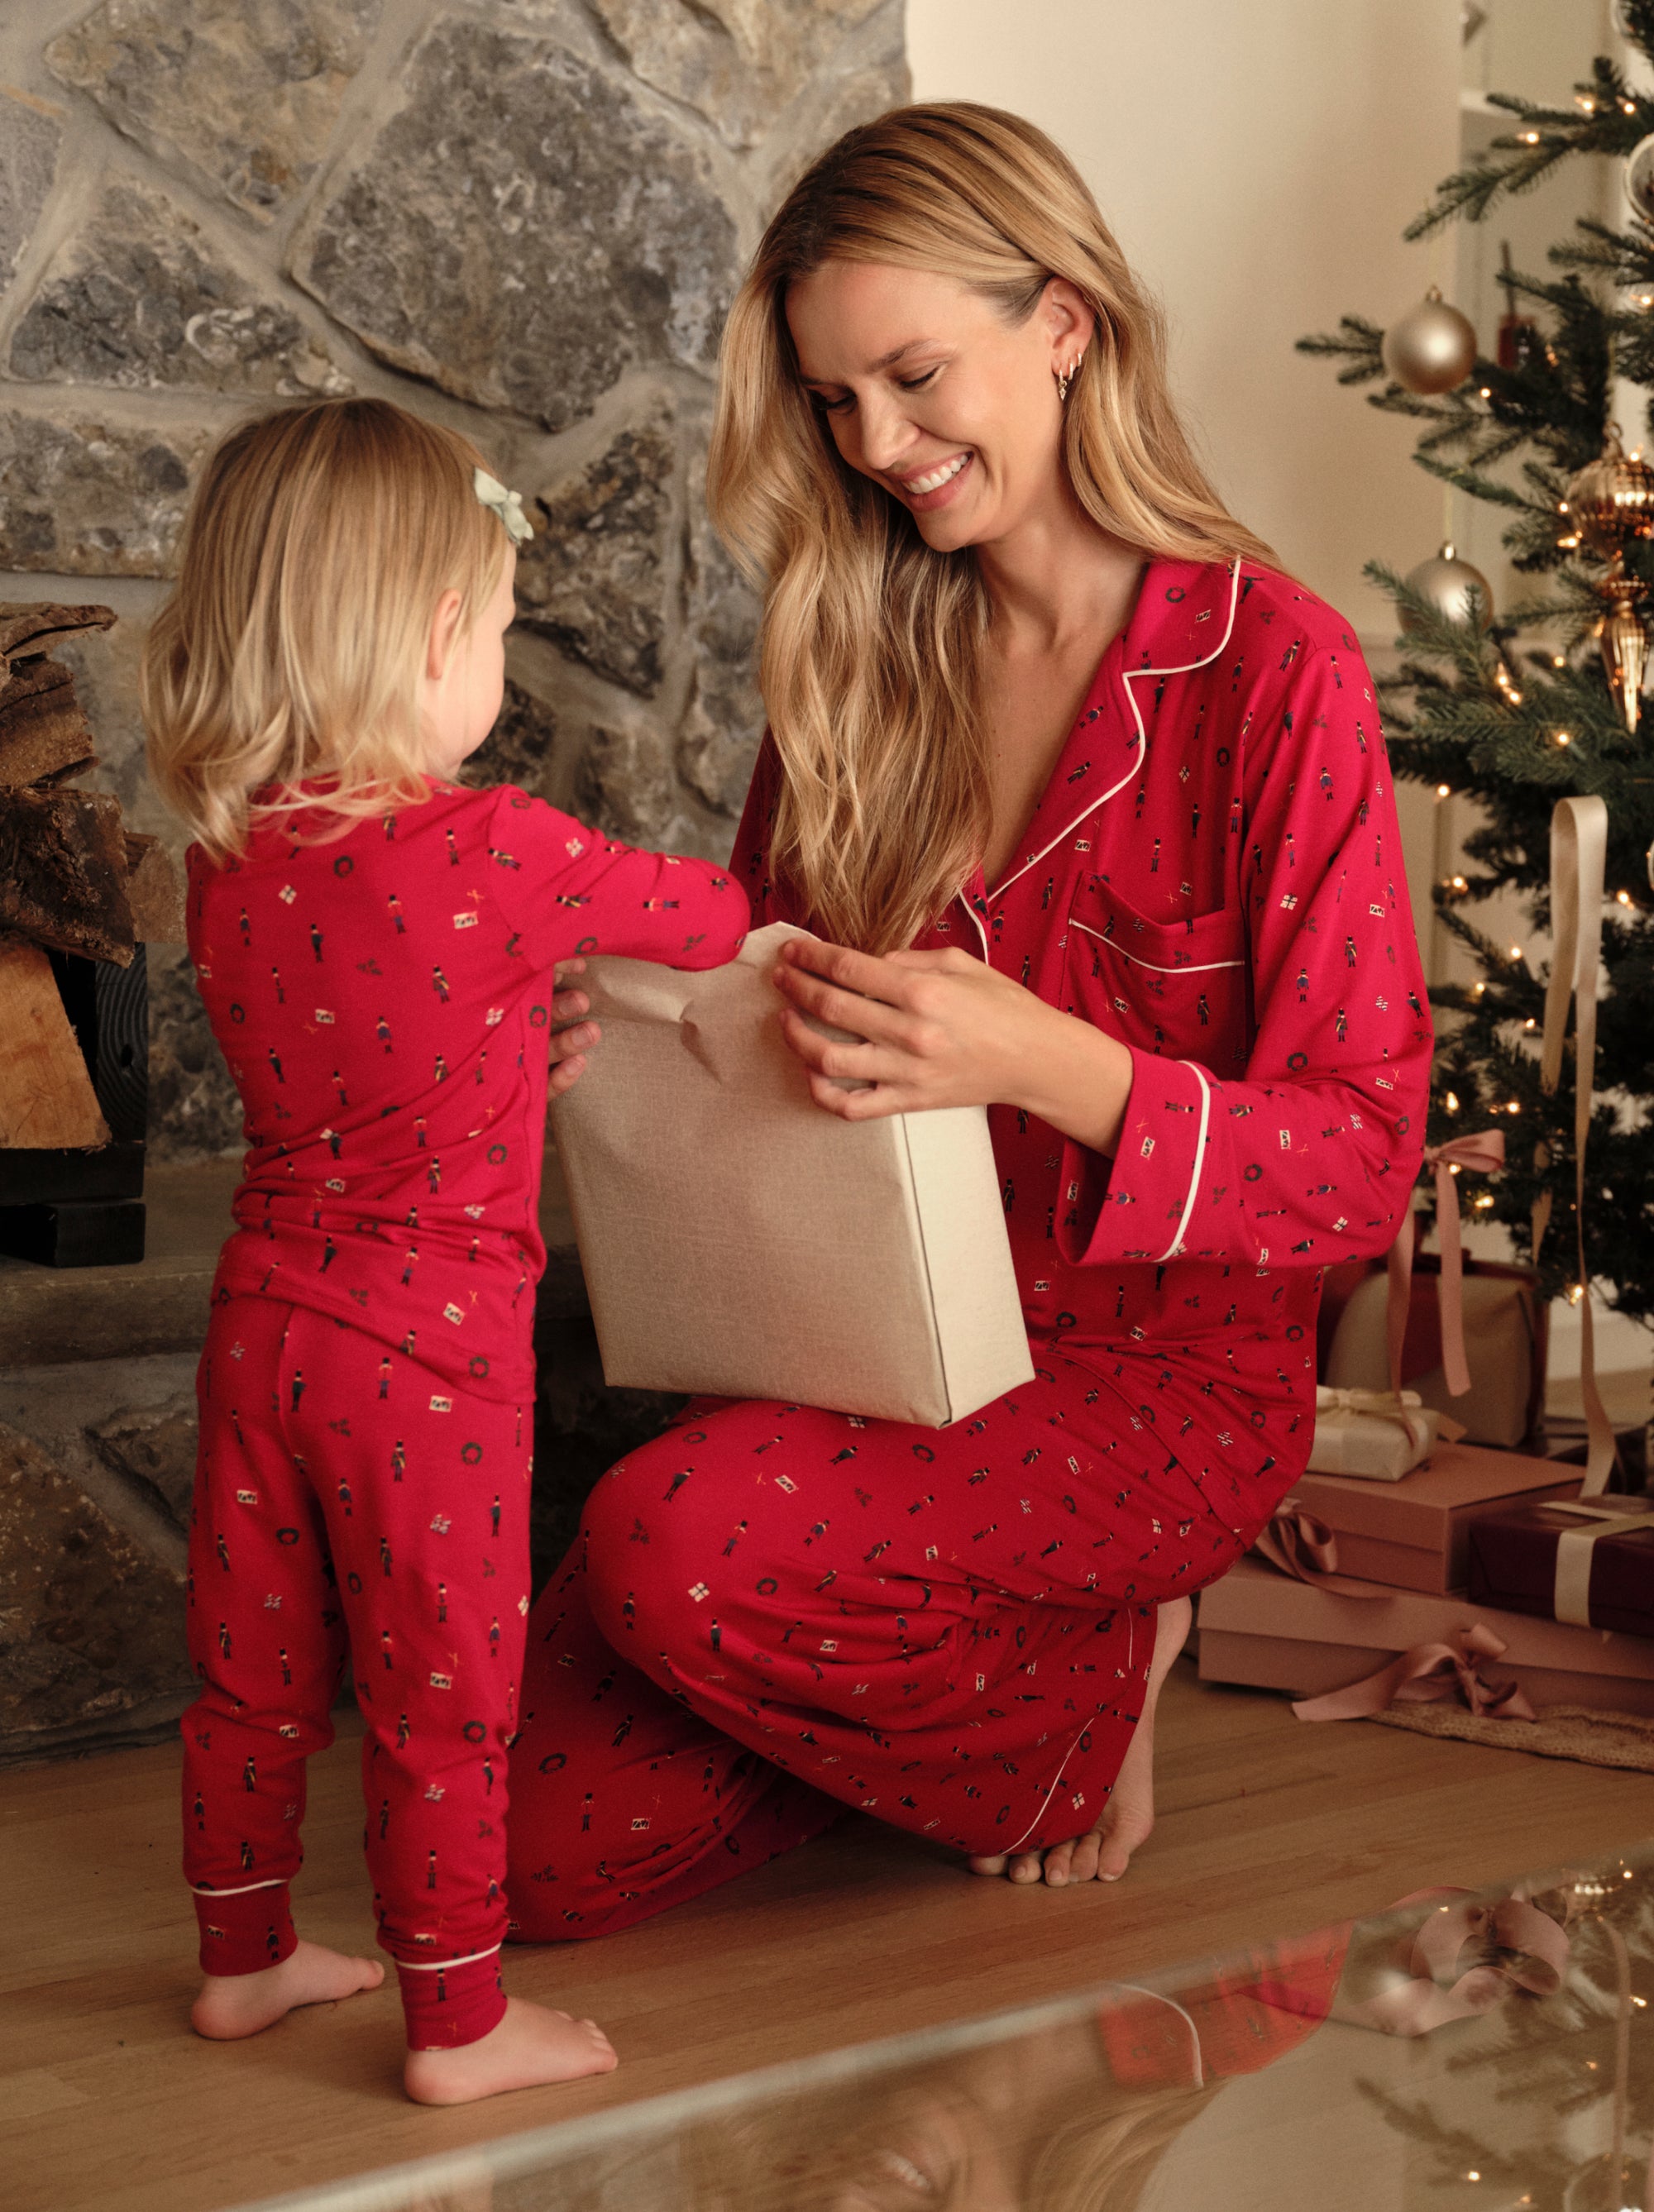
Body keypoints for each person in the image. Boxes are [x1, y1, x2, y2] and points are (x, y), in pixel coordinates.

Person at [504, 103, 1432, 1936]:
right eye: (836, 404)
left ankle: (1081, 1693)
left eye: (915, 377)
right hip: (856, 1364)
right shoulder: (854, 664)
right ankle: (986, 1643)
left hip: (1148, 1394)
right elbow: (763, 1020)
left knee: (665, 1545)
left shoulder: (1275, 673)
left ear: (1065, 320)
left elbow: (1353, 1170)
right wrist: (629, 1043)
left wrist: (1044, 1063)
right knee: (506, 1855)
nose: (879, 448)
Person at [141, 397, 748, 2102]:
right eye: (491, 627)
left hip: (262, 1325)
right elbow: (703, 921)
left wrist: (510, 1021)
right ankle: (461, 2027)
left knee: (251, 1678)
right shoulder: (502, 853)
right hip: (428, 1364)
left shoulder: (231, 858)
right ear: (428, 638)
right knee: (440, 1700)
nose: (498, 660)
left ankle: (245, 1962)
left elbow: (366, 1030)